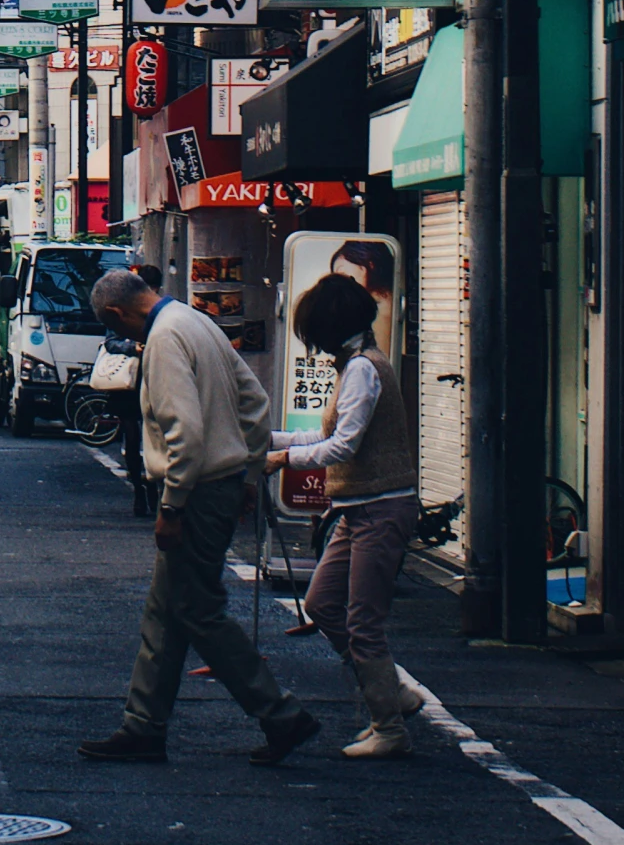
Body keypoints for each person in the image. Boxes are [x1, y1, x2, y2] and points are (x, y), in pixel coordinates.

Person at [79, 268, 318, 769]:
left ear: (118, 314)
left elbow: (182, 432)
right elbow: (254, 401)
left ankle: (280, 713)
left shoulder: (163, 340)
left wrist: (171, 507)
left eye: (116, 327)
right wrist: (249, 474)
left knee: (196, 610)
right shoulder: (196, 321)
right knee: (167, 611)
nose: (122, 337)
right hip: (222, 483)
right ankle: (143, 725)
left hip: (194, 490)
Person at [266, 270, 421, 760]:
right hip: (356, 511)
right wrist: (270, 441)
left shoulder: (362, 369)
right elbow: (324, 435)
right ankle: (391, 693)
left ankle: (389, 727)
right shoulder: (354, 363)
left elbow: (342, 445)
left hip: (380, 508)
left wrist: (282, 457)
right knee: (323, 605)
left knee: (362, 623)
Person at [111, 261, 162, 519]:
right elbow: (110, 341)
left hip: (154, 382)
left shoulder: (165, 312)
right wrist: (133, 347)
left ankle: (152, 489)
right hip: (130, 384)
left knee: (153, 437)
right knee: (132, 438)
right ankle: (139, 493)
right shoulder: (125, 308)